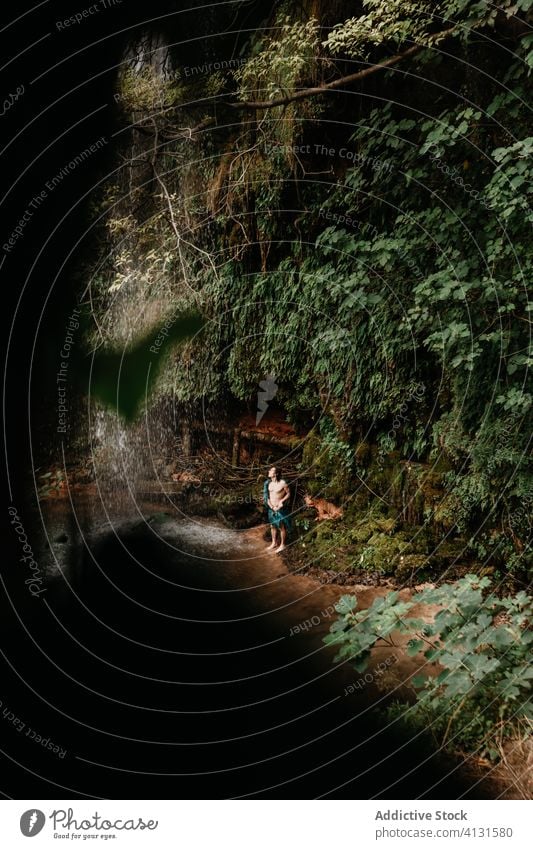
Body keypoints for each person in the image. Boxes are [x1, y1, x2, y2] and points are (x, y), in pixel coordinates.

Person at [263, 466, 291, 553]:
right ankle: (274, 543)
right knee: (272, 526)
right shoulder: (268, 483)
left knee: (281, 526)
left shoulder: (283, 483)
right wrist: (270, 506)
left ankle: (282, 545)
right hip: (271, 508)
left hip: (279, 508)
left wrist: (282, 501)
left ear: (276, 473)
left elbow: (288, 493)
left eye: (271, 470)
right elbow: (266, 496)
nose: (269, 471)